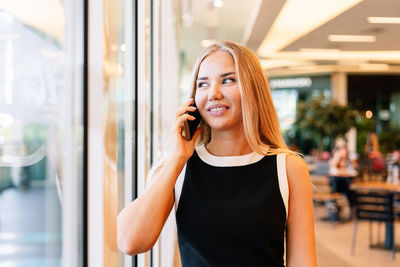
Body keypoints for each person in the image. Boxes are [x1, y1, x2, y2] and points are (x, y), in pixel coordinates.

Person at [117, 41, 317, 267]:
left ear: (253, 89)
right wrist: (177, 158)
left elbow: (303, 262)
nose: (213, 93)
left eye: (228, 80)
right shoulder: (177, 167)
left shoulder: (287, 167)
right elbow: (130, 241)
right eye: (202, 84)